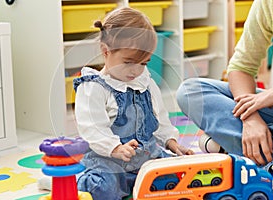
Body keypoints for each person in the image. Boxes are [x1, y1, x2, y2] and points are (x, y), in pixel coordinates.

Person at [73, 7, 194, 200]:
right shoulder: (93, 87)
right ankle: (78, 181)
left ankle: (137, 183)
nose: (136, 70)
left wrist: (171, 143)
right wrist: (115, 148)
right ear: (106, 51)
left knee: (178, 178)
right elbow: (92, 129)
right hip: (108, 161)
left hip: (146, 157)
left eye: (144, 63)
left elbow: (160, 119)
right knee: (104, 189)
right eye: (128, 62)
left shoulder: (145, 83)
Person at [177, 0, 273, 173]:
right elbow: (241, 68)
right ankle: (264, 150)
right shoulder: (267, 4)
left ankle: (243, 148)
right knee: (191, 91)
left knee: (212, 142)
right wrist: (250, 117)